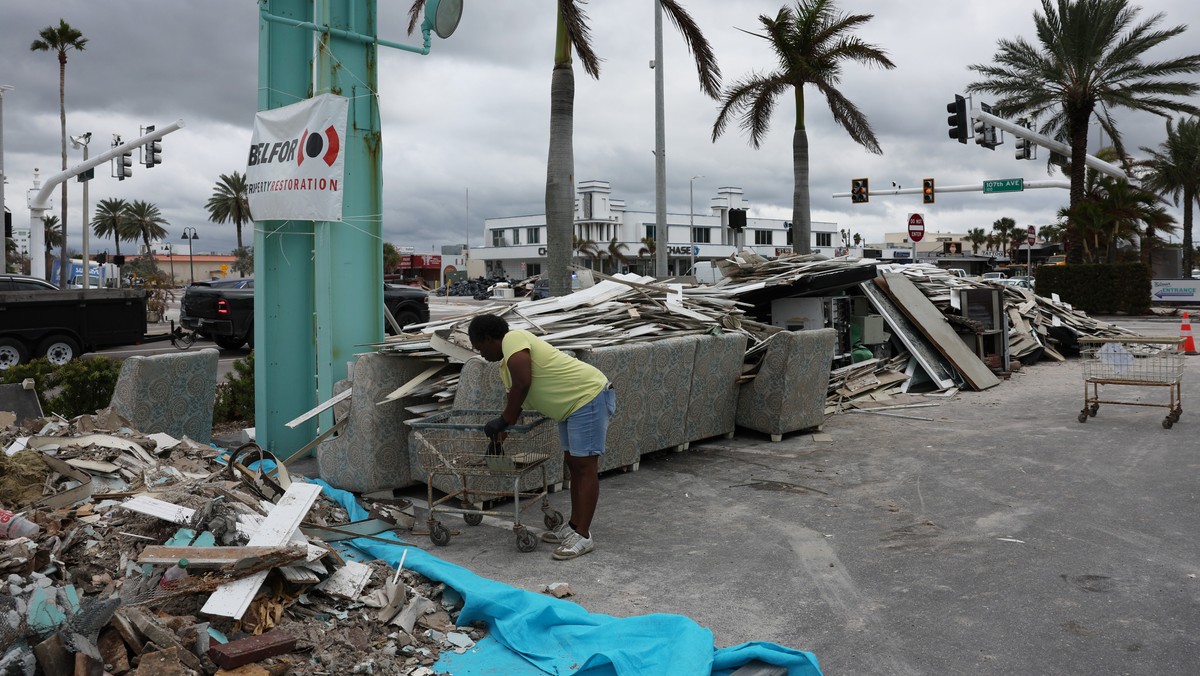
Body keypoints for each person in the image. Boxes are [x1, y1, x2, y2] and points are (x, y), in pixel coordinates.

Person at [468, 313, 615, 560]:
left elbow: (523, 383)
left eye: (479, 346)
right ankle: (573, 526)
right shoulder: (505, 368)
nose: (480, 354)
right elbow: (514, 406)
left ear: (490, 338)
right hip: (570, 408)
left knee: (584, 466)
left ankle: (584, 535)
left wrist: (502, 421)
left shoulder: (513, 338)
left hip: (587, 396)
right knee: (573, 463)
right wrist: (496, 442)